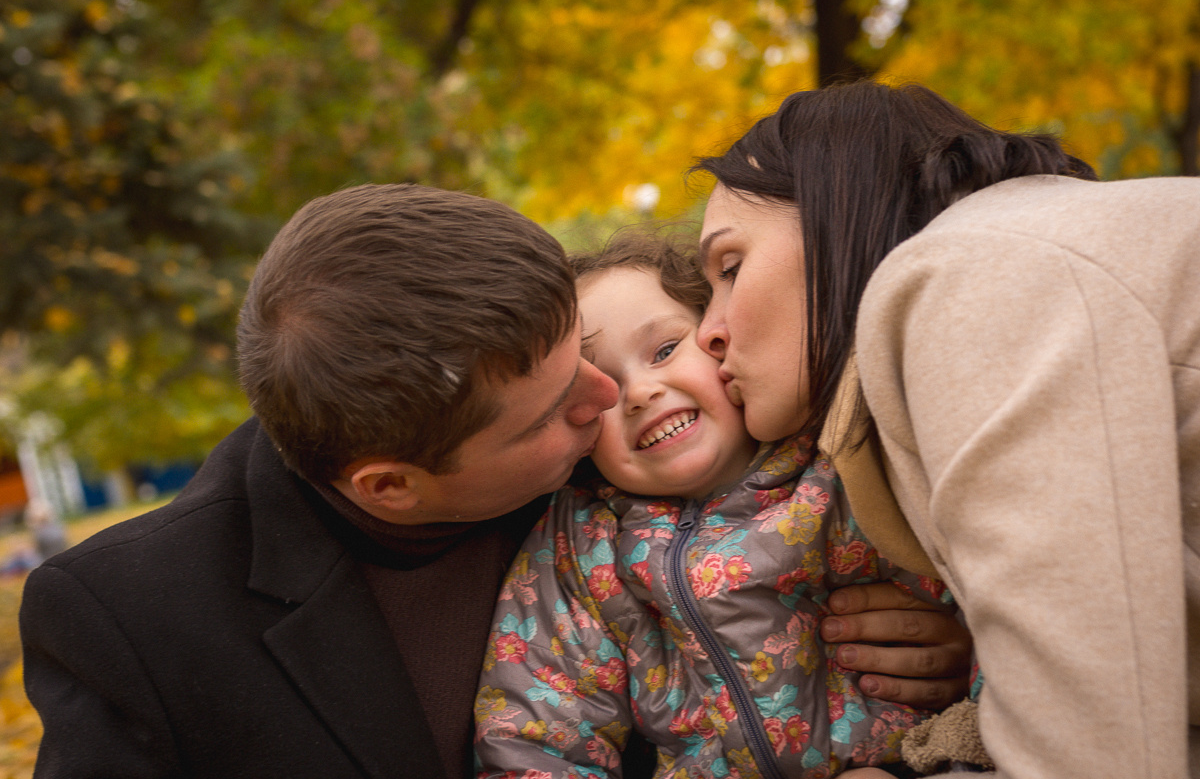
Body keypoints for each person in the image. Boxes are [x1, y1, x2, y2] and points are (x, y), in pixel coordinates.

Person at [18, 183, 971, 779]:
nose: (610, 401)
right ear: (393, 485)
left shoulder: (744, 472)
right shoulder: (130, 620)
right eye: (559, 406)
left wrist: (949, 635)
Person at [691, 80, 1200, 778]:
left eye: (730, 267)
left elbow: (1096, 754)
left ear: (839, 210)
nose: (707, 333)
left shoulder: (972, 280)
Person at [474, 234, 957, 778]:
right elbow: (537, 732)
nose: (639, 393)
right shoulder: (586, 544)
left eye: (663, 351)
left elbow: (993, 608)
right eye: (604, 388)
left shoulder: (843, 465)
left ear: (722, 340)